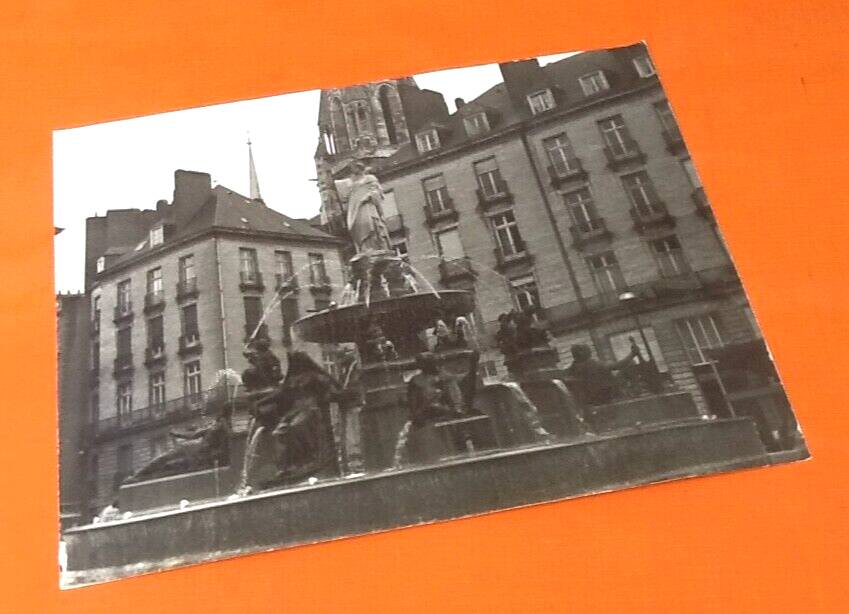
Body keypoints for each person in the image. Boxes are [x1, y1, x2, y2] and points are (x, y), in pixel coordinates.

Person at [266, 351, 342, 486]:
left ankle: (309, 458)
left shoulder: (313, 376)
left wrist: (331, 395)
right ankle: (289, 464)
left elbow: (331, 387)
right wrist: (262, 401)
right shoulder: (292, 379)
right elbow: (280, 394)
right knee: (278, 433)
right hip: (294, 410)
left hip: (309, 409)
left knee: (296, 427)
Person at [125, 414, 230, 483]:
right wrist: (176, 433)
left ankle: (138, 476)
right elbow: (192, 435)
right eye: (218, 422)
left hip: (194, 451)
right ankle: (138, 476)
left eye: (220, 422)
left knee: (165, 461)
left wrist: (176, 434)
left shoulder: (219, 432)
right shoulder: (211, 429)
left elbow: (193, 436)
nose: (217, 424)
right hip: (191, 449)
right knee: (163, 459)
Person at [333, 160, 392, 254]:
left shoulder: (370, 178)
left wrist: (368, 196)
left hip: (367, 206)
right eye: (352, 169)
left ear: (360, 168)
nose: (353, 170)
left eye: (355, 168)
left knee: (370, 224)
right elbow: (340, 189)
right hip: (355, 208)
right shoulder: (350, 182)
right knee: (358, 226)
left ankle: (375, 247)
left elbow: (377, 191)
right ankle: (364, 249)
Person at [565, 342, 640, 406]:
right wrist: (632, 354)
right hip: (604, 397)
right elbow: (618, 365)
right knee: (630, 364)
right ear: (581, 352)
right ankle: (636, 390)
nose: (590, 351)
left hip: (591, 400)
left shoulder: (573, 368)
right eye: (587, 349)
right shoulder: (591, 364)